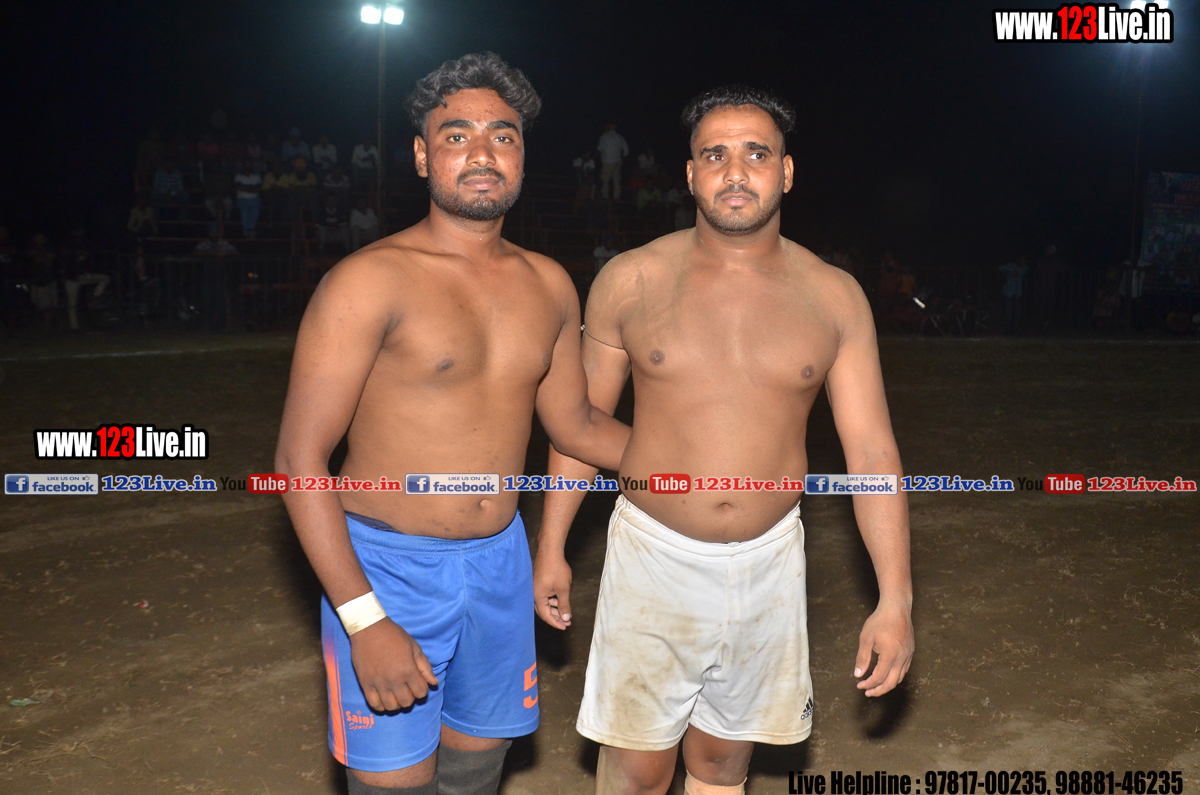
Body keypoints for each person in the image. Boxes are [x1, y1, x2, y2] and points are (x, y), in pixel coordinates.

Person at [534, 85, 914, 795]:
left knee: (721, 763)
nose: (735, 172)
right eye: (714, 155)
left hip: (771, 563)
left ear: (786, 172)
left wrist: (896, 597)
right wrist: (552, 543)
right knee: (637, 771)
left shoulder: (834, 295)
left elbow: (872, 454)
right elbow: (579, 426)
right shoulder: (631, 279)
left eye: (756, 154)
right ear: (689, 174)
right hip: (652, 555)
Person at [274, 52, 630, 795]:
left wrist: (700, 458)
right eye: (457, 135)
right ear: (421, 154)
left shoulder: (549, 284)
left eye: (502, 136)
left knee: (477, 770)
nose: (482, 153)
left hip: (500, 561)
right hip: (387, 568)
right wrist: (363, 618)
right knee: (394, 784)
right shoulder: (369, 280)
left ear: (522, 155)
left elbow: (577, 424)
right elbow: (300, 460)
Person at [60, 227, 110, 331]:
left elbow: (93, 254)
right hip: (71, 278)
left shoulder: (86, 245)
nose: (79, 235)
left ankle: (95, 297)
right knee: (72, 304)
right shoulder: (68, 246)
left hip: (83, 276)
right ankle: (74, 326)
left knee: (105, 278)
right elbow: (66, 261)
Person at [596, 123, 629, 200]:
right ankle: (616, 198)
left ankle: (605, 197)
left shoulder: (604, 136)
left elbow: (599, 149)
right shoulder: (620, 137)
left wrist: (595, 158)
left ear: (608, 128)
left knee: (605, 181)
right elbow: (626, 151)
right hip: (617, 162)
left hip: (607, 162)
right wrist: (622, 160)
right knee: (616, 181)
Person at [998, 255, 1028, 334]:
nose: (1024, 261)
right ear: (1018, 260)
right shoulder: (1011, 266)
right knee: (1008, 313)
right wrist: (1011, 270)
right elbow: (1000, 268)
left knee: (1017, 313)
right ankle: (1007, 330)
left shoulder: (1025, 268)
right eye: (1022, 259)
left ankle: (1014, 330)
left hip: (1017, 293)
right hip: (1008, 292)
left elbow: (1020, 272)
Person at [234, 160, 263, 238]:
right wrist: (252, 188)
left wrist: (245, 187)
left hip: (255, 198)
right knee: (245, 212)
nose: (247, 167)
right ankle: (246, 229)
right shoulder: (238, 176)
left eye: (248, 165)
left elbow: (258, 189)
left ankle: (251, 228)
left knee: (255, 213)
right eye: (245, 165)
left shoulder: (256, 176)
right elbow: (239, 187)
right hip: (242, 199)